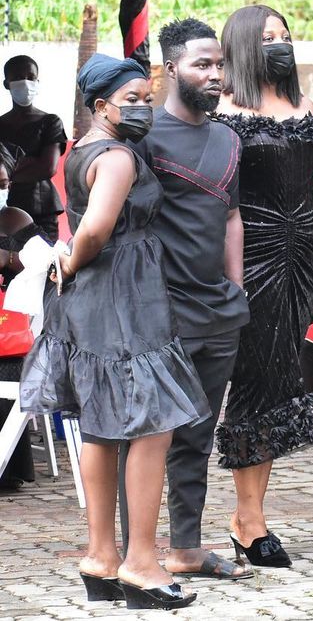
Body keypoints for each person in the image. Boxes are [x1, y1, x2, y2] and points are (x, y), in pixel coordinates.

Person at [20, 53, 208, 609]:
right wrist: (71, 260)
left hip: (93, 300)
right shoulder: (119, 157)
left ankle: (100, 557)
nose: (144, 107)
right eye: (132, 100)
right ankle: (140, 562)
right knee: (152, 426)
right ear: (101, 106)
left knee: (101, 427)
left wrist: (69, 266)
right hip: (124, 296)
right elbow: (97, 229)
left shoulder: (83, 148)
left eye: (148, 98)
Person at [124, 18, 250, 580]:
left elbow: (231, 216)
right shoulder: (143, 137)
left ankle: (186, 549)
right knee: (149, 435)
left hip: (218, 310)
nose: (215, 74)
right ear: (170, 69)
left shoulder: (228, 139)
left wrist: (236, 288)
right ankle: (136, 554)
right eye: (202, 65)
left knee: (198, 435)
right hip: (162, 310)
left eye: (219, 64)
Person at [215, 5, 313, 567]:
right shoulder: (221, 111)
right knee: (255, 380)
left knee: (283, 379)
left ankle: (250, 515)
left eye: (285, 35)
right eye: (267, 38)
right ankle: (248, 520)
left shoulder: (307, 105)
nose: (280, 44)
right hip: (251, 252)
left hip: (302, 254)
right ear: (242, 45)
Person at [0, 145, 45, 490]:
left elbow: (44, 265)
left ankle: (7, 467)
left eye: (2, 184)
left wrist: (12, 259)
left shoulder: (15, 218)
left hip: (7, 336)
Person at [0, 55, 68, 241]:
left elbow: (47, 168)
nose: (25, 82)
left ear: (38, 82)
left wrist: (7, 174)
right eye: (18, 77)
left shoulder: (50, 121)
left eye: (31, 77)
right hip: (5, 211)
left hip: (42, 210)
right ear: (6, 84)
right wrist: (30, 163)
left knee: (44, 258)